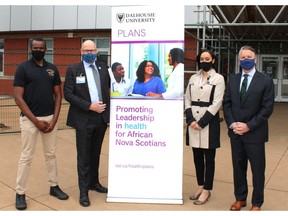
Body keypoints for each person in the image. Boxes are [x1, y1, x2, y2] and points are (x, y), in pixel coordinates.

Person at [13, 38, 69, 210]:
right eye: (35, 47)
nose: (38, 49)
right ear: (31, 48)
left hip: (50, 118)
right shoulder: (23, 68)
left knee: (50, 155)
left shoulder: (52, 69)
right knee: (26, 156)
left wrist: (54, 120)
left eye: (41, 47)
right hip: (30, 121)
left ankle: (54, 186)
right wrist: (36, 121)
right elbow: (18, 97)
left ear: (46, 49)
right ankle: (20, 193)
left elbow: (58, 95)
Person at [223, 45, 274, 211]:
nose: (246, 60)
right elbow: (227, 103)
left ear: (255, 59)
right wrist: (232, 124)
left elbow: (267, 108)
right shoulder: (233, 79)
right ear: (239, 60)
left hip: (255, 133)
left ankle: (257, 202)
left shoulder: (265, 81)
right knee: (238, 169)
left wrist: (248, 126)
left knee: (258, 170)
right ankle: (240, 198)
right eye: (243, 57)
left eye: (249, 57)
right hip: (236, 132)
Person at [64, 39, 110, 207]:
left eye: (92, 50)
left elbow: (109, 89)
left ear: (96, 51)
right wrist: (89, 106)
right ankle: (83, 191)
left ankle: (94, 182)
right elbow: (68, 94)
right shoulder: (73, 70)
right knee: (84, 156)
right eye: (86, 50)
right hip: (84, 118)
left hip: (101, 118)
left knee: (95, 153)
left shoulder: (104, 67)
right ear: (81, 52)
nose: (89, 53)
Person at [184, 49, 225, 205]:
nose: (205, 61)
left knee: (209, 158)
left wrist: (201, 122)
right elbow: (187, 99)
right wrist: (191, 119)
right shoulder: (193, 78)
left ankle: (207, 189)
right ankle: (200, 186)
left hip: (209, 122)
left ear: (213, 60)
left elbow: (217, 103)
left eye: (208, 58)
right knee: (197, 157)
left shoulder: (219, 78)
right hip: (193, 122)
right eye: (202, 58)